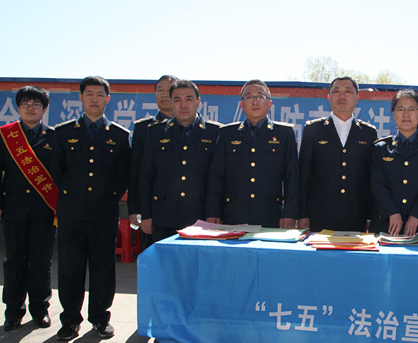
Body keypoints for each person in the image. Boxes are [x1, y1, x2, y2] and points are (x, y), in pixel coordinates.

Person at [51, 76, 131, 341]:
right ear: (81, 98)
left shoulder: (119, 135)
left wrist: (107, 196)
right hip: (71, 213)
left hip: (103, 213)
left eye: (99, 94)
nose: (94, 99)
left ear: (108, 99)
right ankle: (70, 320)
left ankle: (100, 318)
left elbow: (124, 174)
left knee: (103, 268)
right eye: (89, 94)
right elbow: (56, 171)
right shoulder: (63, 133)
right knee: (70, 269)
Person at [0, 86, 57, 331]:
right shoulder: (5, 135)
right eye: (25, 103)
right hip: (13, 208)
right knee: (14, 260)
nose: (30, 108)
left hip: (44, 209)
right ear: (18, 107)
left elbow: (59, 174)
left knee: (41, 260)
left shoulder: (53, 136)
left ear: (44, 109)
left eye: (36, 104)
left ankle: (40, 309)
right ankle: (13, 311)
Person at [206, 80, 299, 228]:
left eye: (260, 96)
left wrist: (290, 212)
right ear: (241, 105)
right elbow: (216, 177)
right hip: (234, 215)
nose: (255, 101)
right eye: (249, 97)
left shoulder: (284, 134)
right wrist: (213, 212)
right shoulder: (227, 134)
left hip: (271, 215)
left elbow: (292, 177)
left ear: (269, 103)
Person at [139, 79, 222, 242]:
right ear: (171, 102)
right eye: (177, 100)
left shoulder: (215, 132)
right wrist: (146, 215)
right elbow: (146, 176)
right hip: (163, 216)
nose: (183, 105)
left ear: (198, 102)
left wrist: (214, 213)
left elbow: (218, 178)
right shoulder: (156, 133)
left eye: (188, 99)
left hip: (201, 217)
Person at [298, 77, 377, 232]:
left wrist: (370, 216)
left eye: (348, 92)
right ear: (329, 97)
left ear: (357, 98)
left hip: (356, 216)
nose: (342, 96)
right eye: (336, 92)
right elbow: (304, 176)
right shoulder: (313, 130)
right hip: (319, 215)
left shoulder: (369, 133)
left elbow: (371, 179)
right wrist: (302, 214)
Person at [370, 90, 418, 237]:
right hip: (387, 224)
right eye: (401, 109)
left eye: (412, 109)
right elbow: (377, 185)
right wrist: (392, 212)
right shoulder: (380, 148)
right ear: (394, 113)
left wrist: (416, 215)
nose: (406, 114)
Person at [128, 74, 175, 249]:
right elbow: (136, 170)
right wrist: (135, 208)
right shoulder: (144, 128)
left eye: (169, 90)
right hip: (153, 208)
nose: (164, 94)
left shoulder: (191, 127)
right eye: (160, 90)